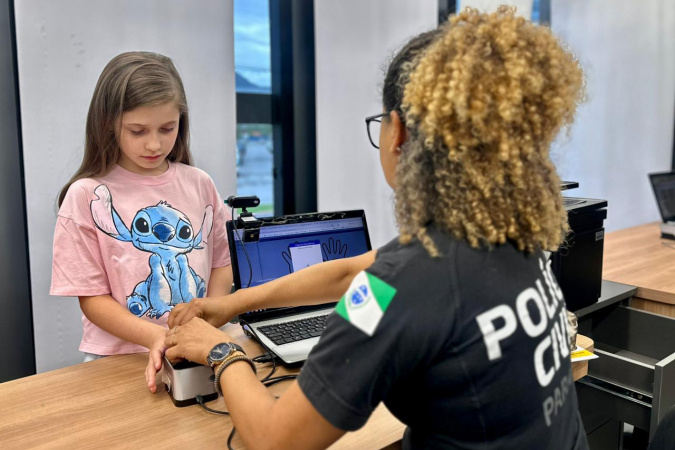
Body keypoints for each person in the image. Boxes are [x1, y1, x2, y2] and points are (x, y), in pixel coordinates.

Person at [165, 8, 588, 449]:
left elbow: (275, 439)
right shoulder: (506, 233)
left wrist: (221, 352)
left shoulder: (402, 284)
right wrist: (232, 304)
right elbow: (352, 272)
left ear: (397, 132)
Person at [50, 51, 233, 393]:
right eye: (137, 131)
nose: (154, 144)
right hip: (118, 361)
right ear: (108, 123)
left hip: (197, 351)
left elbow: (222, 264)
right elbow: (92, 298)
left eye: (167, 129)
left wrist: (208, 322)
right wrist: (157, 337)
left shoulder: (200, 183)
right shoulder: (86, 195)